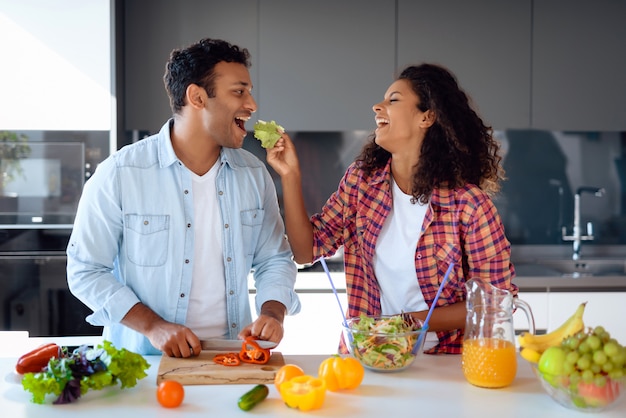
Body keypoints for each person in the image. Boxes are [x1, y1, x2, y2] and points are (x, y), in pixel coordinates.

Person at [67, 38, 300, 357]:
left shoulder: (253, 173)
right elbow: (86, 270)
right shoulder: (121, 173)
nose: (252, 104)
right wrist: (153, 326)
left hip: (233, 356)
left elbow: (274, 258)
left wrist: (273, 313)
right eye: (239, 91)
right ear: (197, 97)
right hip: (144, 364)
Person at [266, 63, 517, 354]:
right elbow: (305, 250)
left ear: (427, 116)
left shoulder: (469, 205)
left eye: (393, 100)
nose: (377, 106)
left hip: (444, 363)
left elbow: (498, 301)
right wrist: (290, 175)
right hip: (369, 355)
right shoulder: (362, 182)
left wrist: (408, 323)